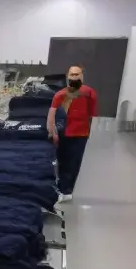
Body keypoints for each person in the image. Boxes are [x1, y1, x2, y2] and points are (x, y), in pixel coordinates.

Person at [48, 66, 96, 201]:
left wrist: (88, 131)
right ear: (68, 77)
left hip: (80, 133)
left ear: (82, 76)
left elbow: (91, 115)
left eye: (77, 74)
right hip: (63, 132)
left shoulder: (90, 93)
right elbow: (52, 114)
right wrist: (53, 132)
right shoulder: (60, 94)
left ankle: (67, 190)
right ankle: (62, 188)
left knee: (74, 162)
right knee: (62, 161)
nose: (75, 77)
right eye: (72, 75)